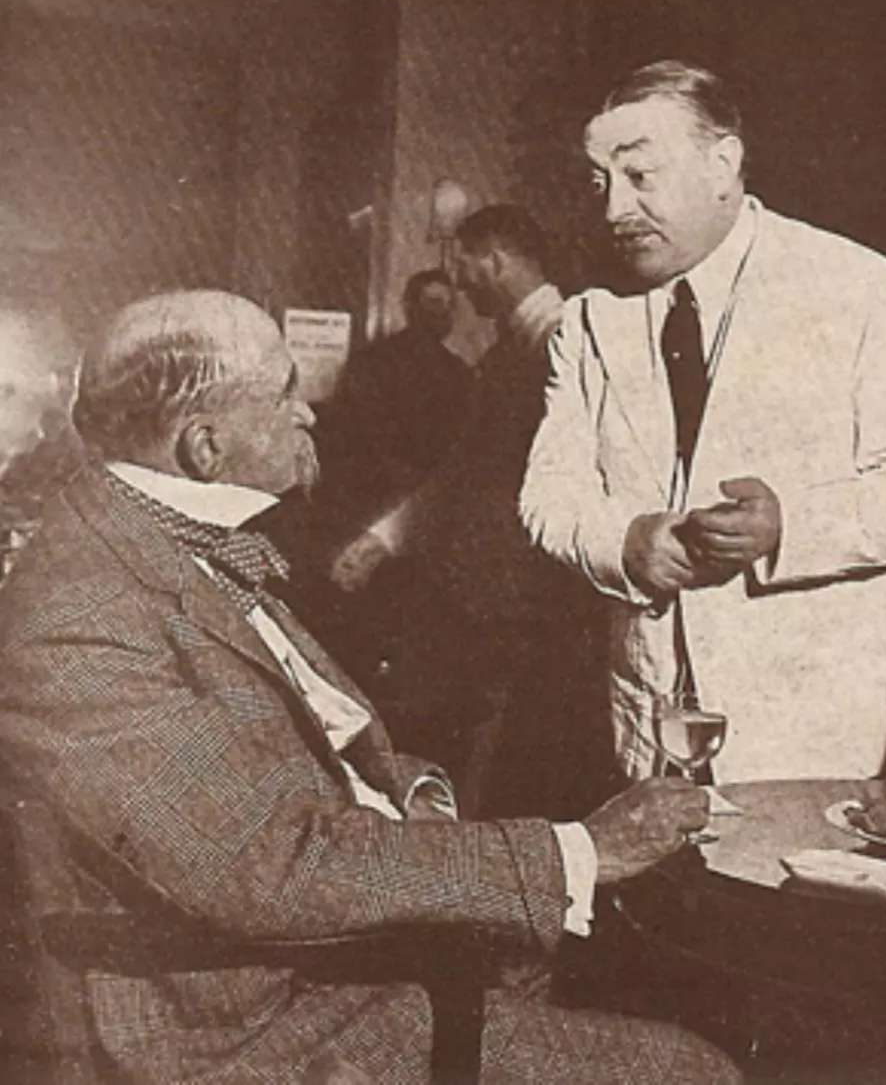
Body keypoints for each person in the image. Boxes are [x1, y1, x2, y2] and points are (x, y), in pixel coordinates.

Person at [0, 289, 740, 1084]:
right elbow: (264, 867)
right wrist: (581, 851)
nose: (308, 413)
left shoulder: (155, 541)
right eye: (285, 391)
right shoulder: (77, 617)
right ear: (206, 446)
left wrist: (412, 791)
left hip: (324, 955)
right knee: (691, 1070)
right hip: (254, 1025)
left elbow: (305, 746)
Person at [520, 60, 886, 785]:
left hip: (835, 734)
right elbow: (548, 496)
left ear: (722, 164)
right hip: (659, 731)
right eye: (599, 181)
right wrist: (624, 544)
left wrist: (788, 527)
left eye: (639, 176)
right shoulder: (589, 320)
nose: (613, 210)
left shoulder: (856, 285)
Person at [437, 204, 608, 818]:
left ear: (495, 260)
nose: (459, 285)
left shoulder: (565, 340)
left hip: (534, 596)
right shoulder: (512, 350)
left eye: (463, 266)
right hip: (505, 596)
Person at [316, 268, 474, 593]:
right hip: (374, 504)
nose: (442, 314)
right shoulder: (371, 364)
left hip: (421, 512)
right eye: (434, 303)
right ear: (410, 307)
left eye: (449, 306)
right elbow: (350, 437)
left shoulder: (459, 374)